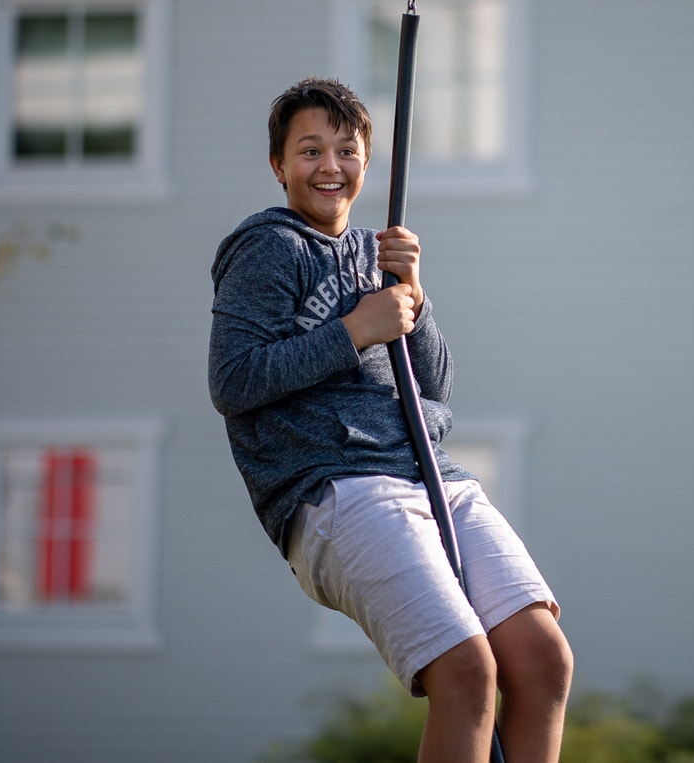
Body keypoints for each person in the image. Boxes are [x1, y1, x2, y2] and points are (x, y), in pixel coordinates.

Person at [208, 76, 572, 763]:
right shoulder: (267, 248)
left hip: (430, 474)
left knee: (543, 657)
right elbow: (233, 380)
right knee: (467, 670)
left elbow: (434, 390)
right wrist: (352, 330)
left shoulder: (378, 252)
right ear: (278, 165)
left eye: (346, 150)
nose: (329, 167)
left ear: (367, 161)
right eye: (309, 150)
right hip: (335, 487)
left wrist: (415, 297)